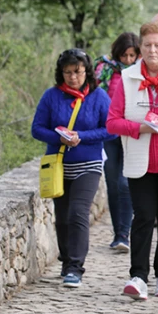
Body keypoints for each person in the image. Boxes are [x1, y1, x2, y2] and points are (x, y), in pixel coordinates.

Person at [106, 22, 158, 300]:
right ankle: (138, 276)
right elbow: (112, 122)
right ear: (140, 47)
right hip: (140, 163)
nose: (152, 50)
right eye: (147, 45)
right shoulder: (126, 78)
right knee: (143, 218)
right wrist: (141, 128)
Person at [32, 49, 115, 288]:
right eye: (67, 73)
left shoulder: (99, 97)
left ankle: (76, 267)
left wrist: (81, 136)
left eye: (77, 72)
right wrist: (60, 137)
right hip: (58, 166)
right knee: (63, 218)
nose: (72, 77)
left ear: (86, 72)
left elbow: (110, 128)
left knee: (78, 212)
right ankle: (67, 260)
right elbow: (37, 128)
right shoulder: (51, 96)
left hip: (88, 164)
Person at [94, 32, 140, 251]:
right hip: (108, 133)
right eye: (125, 55)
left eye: (132, 55)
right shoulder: (104, 69)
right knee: (113, 184)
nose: (129, 60)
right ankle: (117, 233)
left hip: (132, 133)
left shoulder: (140, 72)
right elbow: (96, 96)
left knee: (126, 183)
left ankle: (125, 232)